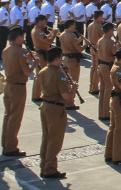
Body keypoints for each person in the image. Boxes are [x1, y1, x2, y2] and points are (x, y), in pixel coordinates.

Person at [38, 47, 76, 179]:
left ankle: (44, 164)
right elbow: (66, 95)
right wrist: (73, 90)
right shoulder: (59, 74)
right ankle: (49, 168)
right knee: (55, 140)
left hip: (45, 105)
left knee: (47, 138)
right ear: (57, 59)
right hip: (56, 108)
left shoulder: (42, 71)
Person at [2, 27, 33, 157]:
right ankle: (11, 147)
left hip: (8, 84)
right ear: (19, 37)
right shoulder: (20, 51)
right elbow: (26, 72)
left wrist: (27, 59)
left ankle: (6, 143)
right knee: (15, 117)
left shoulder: (6, 50)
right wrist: (34, 64)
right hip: (18, 86)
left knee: (8, 115)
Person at [60, 20, 83, 111]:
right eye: (74, 25)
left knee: (66, 82)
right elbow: (79, 49)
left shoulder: (62, 34)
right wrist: (85, 45)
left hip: (65, 59)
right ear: (70, 26)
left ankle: (65, 100)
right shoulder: (72, 36)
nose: (75, 27)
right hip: (73, 60)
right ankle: (70, 102)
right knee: (73, 81)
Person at [97, 22, 118, 121]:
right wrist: (117, 47)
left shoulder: (100, 40)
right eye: (113, 30)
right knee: (108, 88)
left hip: (100, 65)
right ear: (110, 31)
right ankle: (105, 113)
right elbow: (114, 53)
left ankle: (101, 111)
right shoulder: (110, 42)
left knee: (102, 88)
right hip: (107, 65)